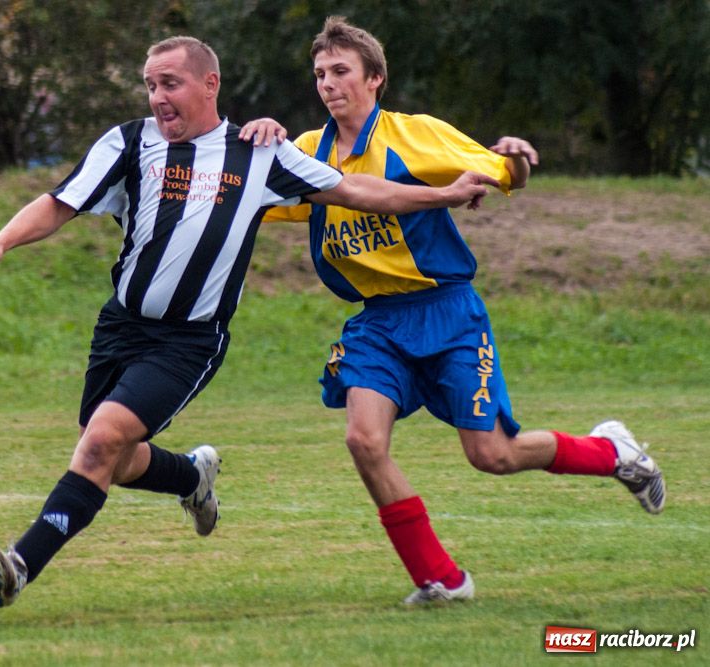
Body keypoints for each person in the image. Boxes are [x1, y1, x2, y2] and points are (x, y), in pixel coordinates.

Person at [0, 35, 497, 609]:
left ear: (209, 84)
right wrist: (1, 241)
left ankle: (21, 564)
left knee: (101, 444)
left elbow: (357, 190)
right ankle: (192, 478)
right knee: (110, 459)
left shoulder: (257, 153)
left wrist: (441, 194)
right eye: (150, 85)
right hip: (120, 327)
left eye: (170, 83)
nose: (158, 97)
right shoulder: (128, 142)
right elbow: (60, 202)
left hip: (188, 341)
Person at [243, 16, 665, 605]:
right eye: (319, 74)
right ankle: (441, 580)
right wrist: (255, 139)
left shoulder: (416, 136)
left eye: (341, 71)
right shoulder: (308, 152)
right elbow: (244, 193)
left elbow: (503, 174)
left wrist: (515, 157)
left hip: (448, 314)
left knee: (493, 455)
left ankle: (612, 452)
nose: (328, 84)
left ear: (375, 78)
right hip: (377, 323)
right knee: (364, 441)